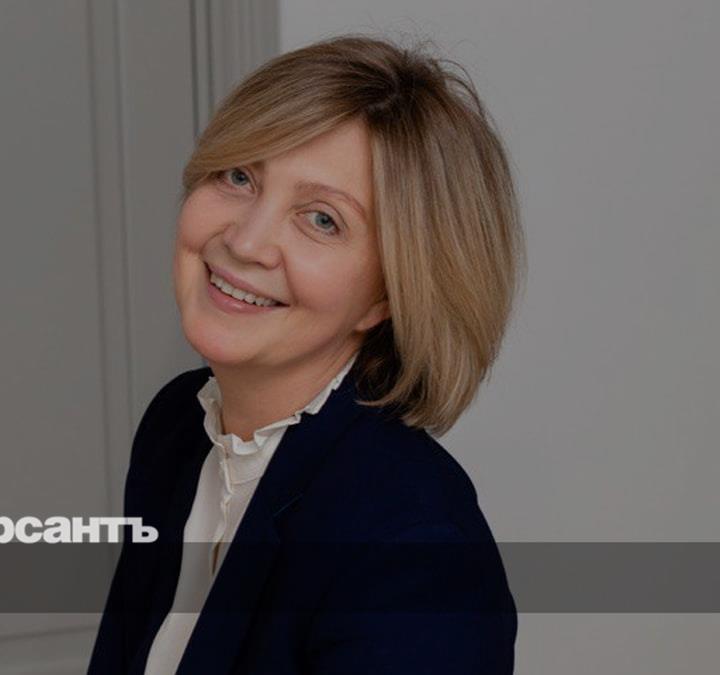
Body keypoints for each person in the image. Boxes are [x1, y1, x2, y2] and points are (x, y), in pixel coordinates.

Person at [87, 32, 523, 674]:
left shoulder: (416, 551)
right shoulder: (177, 427)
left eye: (322, 219)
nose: (246, 242)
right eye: (239, 176)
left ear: (390, 293)